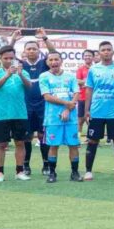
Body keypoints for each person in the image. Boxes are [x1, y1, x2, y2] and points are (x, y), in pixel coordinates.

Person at [9, 28, 57, 176]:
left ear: (38, 50)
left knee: (43, 135)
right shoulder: (20, 64)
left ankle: (46, 165)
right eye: (28, 49)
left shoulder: (44, 63)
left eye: (34, 49)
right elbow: (8, 55)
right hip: (25, 106)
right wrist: (13, 40)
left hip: (43, 105)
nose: (31, 51)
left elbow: (54, 53)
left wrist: (44, 38)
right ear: (24, 51)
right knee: (27, 136)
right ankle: (26, 165)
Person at [83, 41, 114, 180]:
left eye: (109, 49)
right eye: (103, 50)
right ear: (99, 52)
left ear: (113, 52)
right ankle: (88, 171)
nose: (106, 52)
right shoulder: (94, 69)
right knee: (92, 141)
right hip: (97, 112)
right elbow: (89, 90)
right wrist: (87, 110)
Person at [39, 51, 82, 183]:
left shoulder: (70, 77)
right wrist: (66, 104)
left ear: (61, 61)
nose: (54, 62)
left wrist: (68, 110)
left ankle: (74, 173)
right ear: (47, 63)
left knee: (73, 145)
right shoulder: (44, 77)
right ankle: (52, 173)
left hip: (71, 118)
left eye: (56, 59)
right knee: (53, 146)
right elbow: (47, 97)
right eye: (50, 60)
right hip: (52, 119)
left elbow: (76, 93)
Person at [0, 45, 32, 182]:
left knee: (20, 143)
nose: (9, 60)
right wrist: (7, 75)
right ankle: (0, 173)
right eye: (6, 58)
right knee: (0, 144)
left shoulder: (22, 72)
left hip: (20, 114)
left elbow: (29, 87)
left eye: (11, 58)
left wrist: (20, 74)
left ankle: (19, 171)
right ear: (1, 58)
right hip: (0, 114)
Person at [76, 49, 95, 137]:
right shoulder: (80, 69)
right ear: (83, 57)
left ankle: (92, 137)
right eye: (86, 55)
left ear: (93, 57)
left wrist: (85, 83)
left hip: (94, 98)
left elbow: (97, 83)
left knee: (92, 120)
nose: (87, 57)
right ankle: (77, 139)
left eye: (89, 55)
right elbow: (77, 81)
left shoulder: (96, 68)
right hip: (82, 97)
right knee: (80, 120)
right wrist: (89, 83)